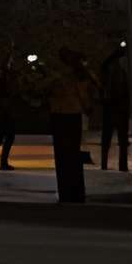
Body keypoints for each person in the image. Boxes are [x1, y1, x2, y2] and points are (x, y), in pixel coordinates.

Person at [44, 48, 96, 204]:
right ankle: (76, 192)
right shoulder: (79, 75)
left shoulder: (57, 76)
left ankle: (66, 192)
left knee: (63, 157)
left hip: (59, 116)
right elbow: (85, 96)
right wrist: (88, 108)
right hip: (73, 115)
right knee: (74, 155)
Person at [97, 43, 131, 172]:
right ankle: (122, 165)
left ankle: (105, 164)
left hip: (111, 105)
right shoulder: (120, 69)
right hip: (119, 105)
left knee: (108, 137)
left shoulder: (108, 67)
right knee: (122, 138)